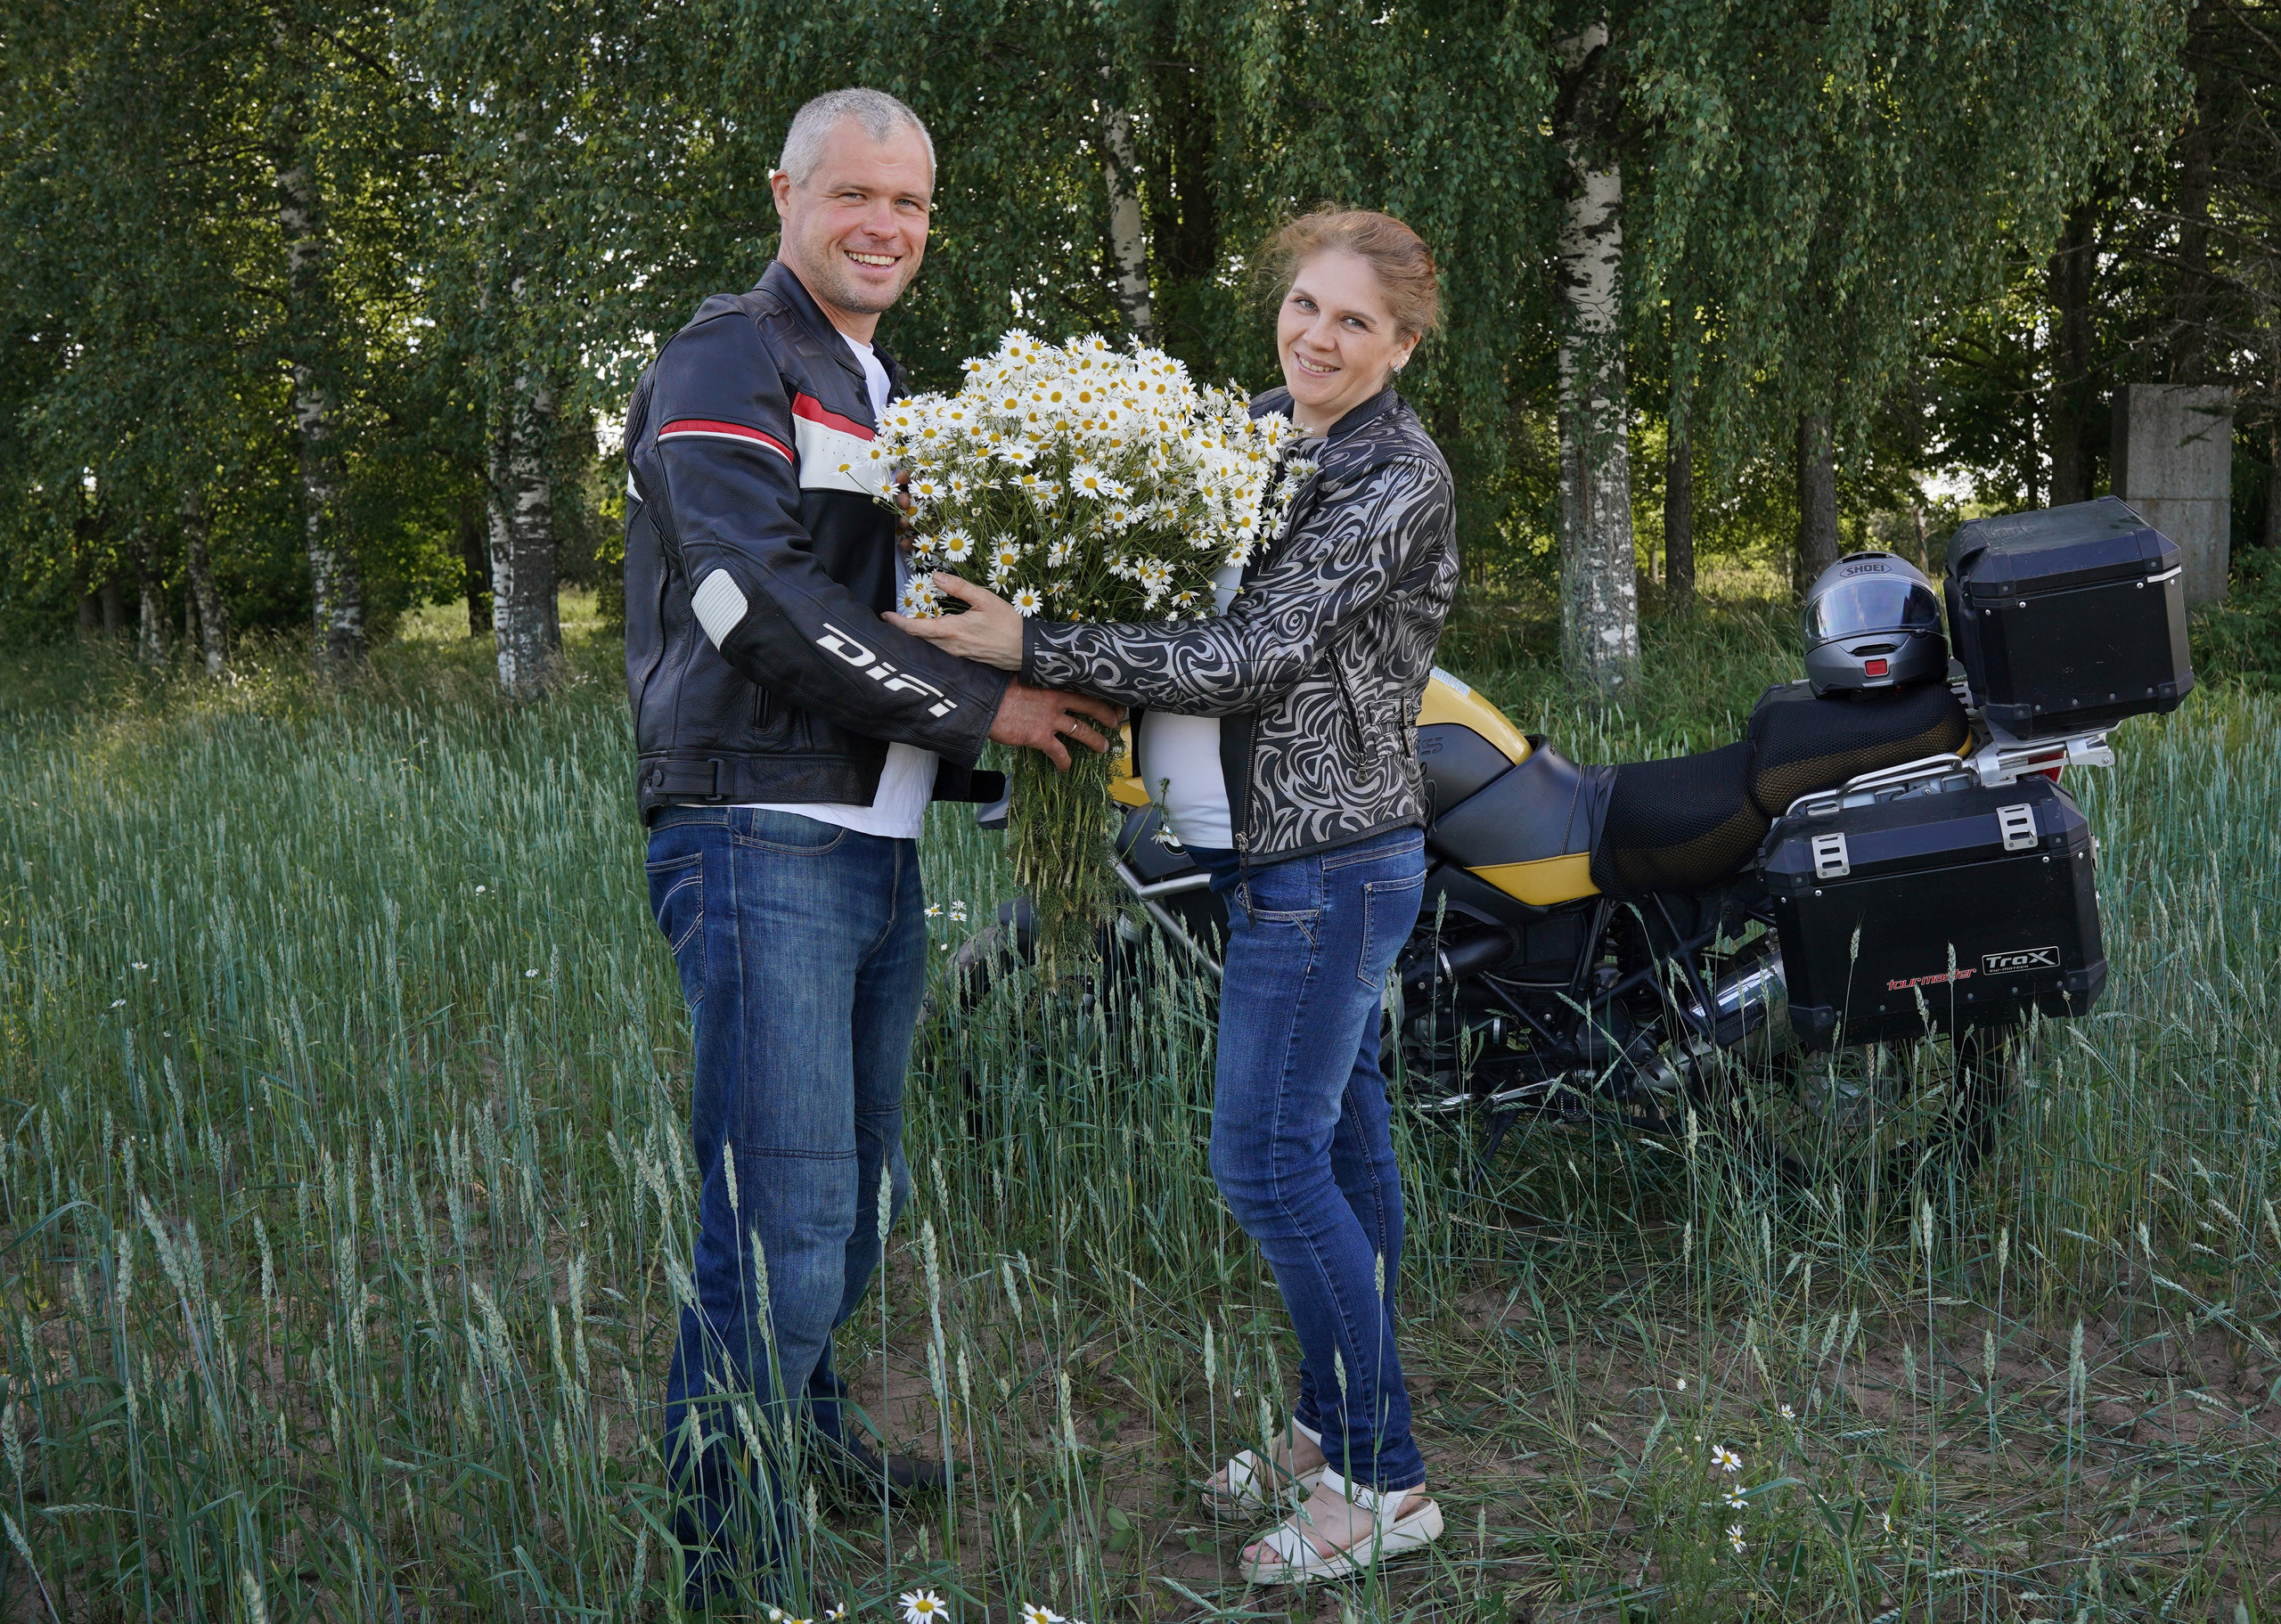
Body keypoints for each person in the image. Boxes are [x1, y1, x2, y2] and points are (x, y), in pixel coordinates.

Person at [891, 208, 1458, 1583]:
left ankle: (1388, 1479)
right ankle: (1332, 1427)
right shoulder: (1263, 427)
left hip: (1332, 864)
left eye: (1355, 324)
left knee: (1265, 1162)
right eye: (1305, 306)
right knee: (1337, 1148)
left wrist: (1040, 637)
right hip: (1259, 857)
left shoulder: (1395, 476)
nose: (1319, 337)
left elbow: (1252, 652)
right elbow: (1149, 545)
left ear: (1402, 343)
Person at [620, 87, 1122, 1601]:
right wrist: (994, 708)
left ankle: (814, 1438)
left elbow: (894, 596)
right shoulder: (726, 355)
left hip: (873, 845)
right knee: (781, 1215)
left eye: (909, 205)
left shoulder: (877, 379)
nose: (886, 227)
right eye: (856, 197)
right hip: (761, 834)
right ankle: (732, 1565)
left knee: (857, 1191)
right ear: (786, 194)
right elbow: (754, 599)